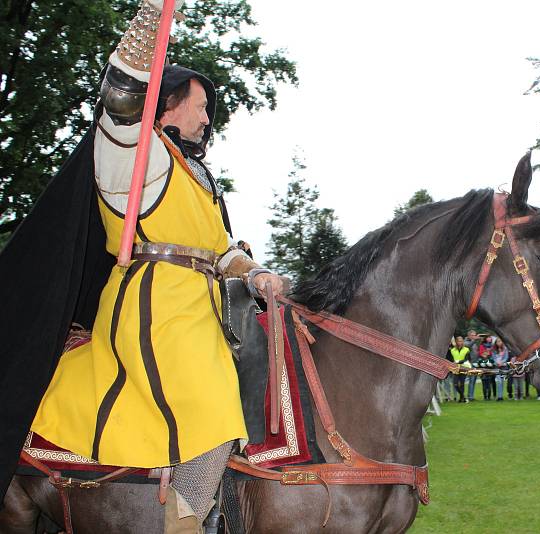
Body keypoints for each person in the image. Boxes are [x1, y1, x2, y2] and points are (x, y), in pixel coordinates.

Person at [0, 2, 292, 530]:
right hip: (153, 311)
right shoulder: (136, 158)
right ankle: (183, 525)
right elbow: (119, 104)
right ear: (168, 104)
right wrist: (151, 20)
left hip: (199, 313)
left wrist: (253, 272)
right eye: (201, 106)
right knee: (213, 406)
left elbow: (220, 251)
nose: (208, 118)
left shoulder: (198, 178)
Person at [450, 336, 472, 402]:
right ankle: (463, 396)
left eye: (461, 341)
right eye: (459, 341)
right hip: (455, 368)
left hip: (464, 367)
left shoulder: (466, 349)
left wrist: (458, 362)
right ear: (456, 342)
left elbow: (467, 359)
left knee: (462, 384)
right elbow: (451, 359)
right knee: (455, 384)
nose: (460, 342)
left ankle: (461, 398)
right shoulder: (452, 350)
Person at [463, 330, 482, 402]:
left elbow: (476, 351)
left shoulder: (473, 342)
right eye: (473, 335)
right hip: (469, 363)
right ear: (469, 335)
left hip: (475, 363)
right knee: (471, 380)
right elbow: (468, 346)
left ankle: (471, 396)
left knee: (473, 380)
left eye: (475, 335)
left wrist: (480, 340)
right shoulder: (465, 341)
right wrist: (474, 340)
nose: (474, 336)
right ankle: (469, 396)